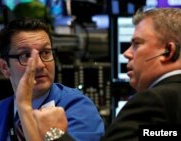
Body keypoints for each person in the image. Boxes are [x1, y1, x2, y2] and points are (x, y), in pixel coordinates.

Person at [30, 7, 181, 141]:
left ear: (169, 51)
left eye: (137, 44)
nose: (126, 53)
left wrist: (53, 134)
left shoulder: (153, 101)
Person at [0, 18, 105, 141]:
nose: (40, 65)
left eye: (45, 52)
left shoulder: (79, 108)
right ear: (4, 67)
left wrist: (24, 108)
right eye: (26, 55)